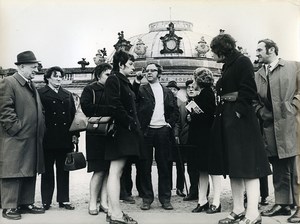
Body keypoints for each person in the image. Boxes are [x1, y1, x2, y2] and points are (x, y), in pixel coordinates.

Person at [209, 34, 272, 224]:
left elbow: (248, 90)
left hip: (241, 121)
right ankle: (237, 210)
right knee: (234, 166)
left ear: (222, 49)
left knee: (247, 167)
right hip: (228, 118)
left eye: (214, 51)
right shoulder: (229, 64)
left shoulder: (242, 61)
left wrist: (238, 112)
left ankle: (252, 213)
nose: (213, 55)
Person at [254, 39, 300, 220]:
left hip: (293, 124)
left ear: (271, 50)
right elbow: (253, 100)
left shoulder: (293, 66)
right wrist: (261, 112)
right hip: (270, 127)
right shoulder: (258, 74)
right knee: (278, 165)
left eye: (259, 49)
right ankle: (282, 204)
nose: (256, 53)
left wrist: (294, 107)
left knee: (297, 167)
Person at [0, 51, 46, 220]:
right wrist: (16, 129)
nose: (36, 70)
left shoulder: (29, 84)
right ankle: (9, 206)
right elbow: (5, 110)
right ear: (21, 67)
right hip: (16, 137)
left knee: (29, 169)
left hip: (31, 137)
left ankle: (26, 202)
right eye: (33, 67)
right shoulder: (8, 82)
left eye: (37, 67)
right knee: (11, 171)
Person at [134, 63, 179, 211]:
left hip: (162, 131)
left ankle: (165, 198)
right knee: (144, 166)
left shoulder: (167, 91)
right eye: (147, 71)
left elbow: (174, 111)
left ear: (159, 73)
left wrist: (169, 124)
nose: (149, 73)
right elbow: (133, 104)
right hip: (146, 131)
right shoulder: (141, 90)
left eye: (153, 70)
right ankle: (147, 198)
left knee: (164, 165)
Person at [104, 50, 142, 224]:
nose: (133, 66)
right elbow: (114, 105)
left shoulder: (122, 80)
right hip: (121, 131)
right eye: (131, 63)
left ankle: (113, 212)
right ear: (121, 64)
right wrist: (129, 122)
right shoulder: (114, 79)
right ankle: (116, 214)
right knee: (115, 171)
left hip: (125, 130)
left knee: (116, 171)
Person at [38, 66, 78, 211]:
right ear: (48, 78)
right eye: (56, 76)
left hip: (64, 138)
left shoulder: (67, 94)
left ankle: (64, 199)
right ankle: (46, 201)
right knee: (47, 171)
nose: (59, 79)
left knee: (64, 170)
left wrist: (75, 135)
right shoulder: (40, 93)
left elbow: (73, 116)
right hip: (47, 138)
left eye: (61, 76)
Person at [80, 63, 115, 215]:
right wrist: (109, 110)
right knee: (98, 170)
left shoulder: (114, 89)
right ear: (98, 75)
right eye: (107, 74)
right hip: (96, 133)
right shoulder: (90, 89)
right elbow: (86, 108)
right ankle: (93, 202)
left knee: (108, 170)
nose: (110, 77)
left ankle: (104, 202)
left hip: (111, 133)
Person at [189, 68, 223, 214]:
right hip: (203, 138)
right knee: (203, 169)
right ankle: (203, 200)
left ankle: (216, 201)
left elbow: (207, 117)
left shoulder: (206, 94)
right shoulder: (206, 94)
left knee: (211, 170)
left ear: (198, 80)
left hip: (206, 138)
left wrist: (193, 115)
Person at [166, 80, 186, 198]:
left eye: (174, 89)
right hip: (167, 137)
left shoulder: (182, 104)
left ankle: (180, 187)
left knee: (180, 164)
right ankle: (168, 187)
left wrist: (178, 135)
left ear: (177, 91)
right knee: (167, 163)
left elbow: (181, 121)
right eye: (170, 89)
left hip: (178, 138)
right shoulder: (164, 103)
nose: (172, 91)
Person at [183, 80, 200, 201]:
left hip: (199, 138)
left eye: (193, 87)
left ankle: (203, 191)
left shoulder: (198, 101)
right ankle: (193, 190)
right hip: (189, 138)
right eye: (188, 87)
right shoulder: (187, 103)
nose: (191, 89)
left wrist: (192, 117)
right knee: (191, 167)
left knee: (200, 167)